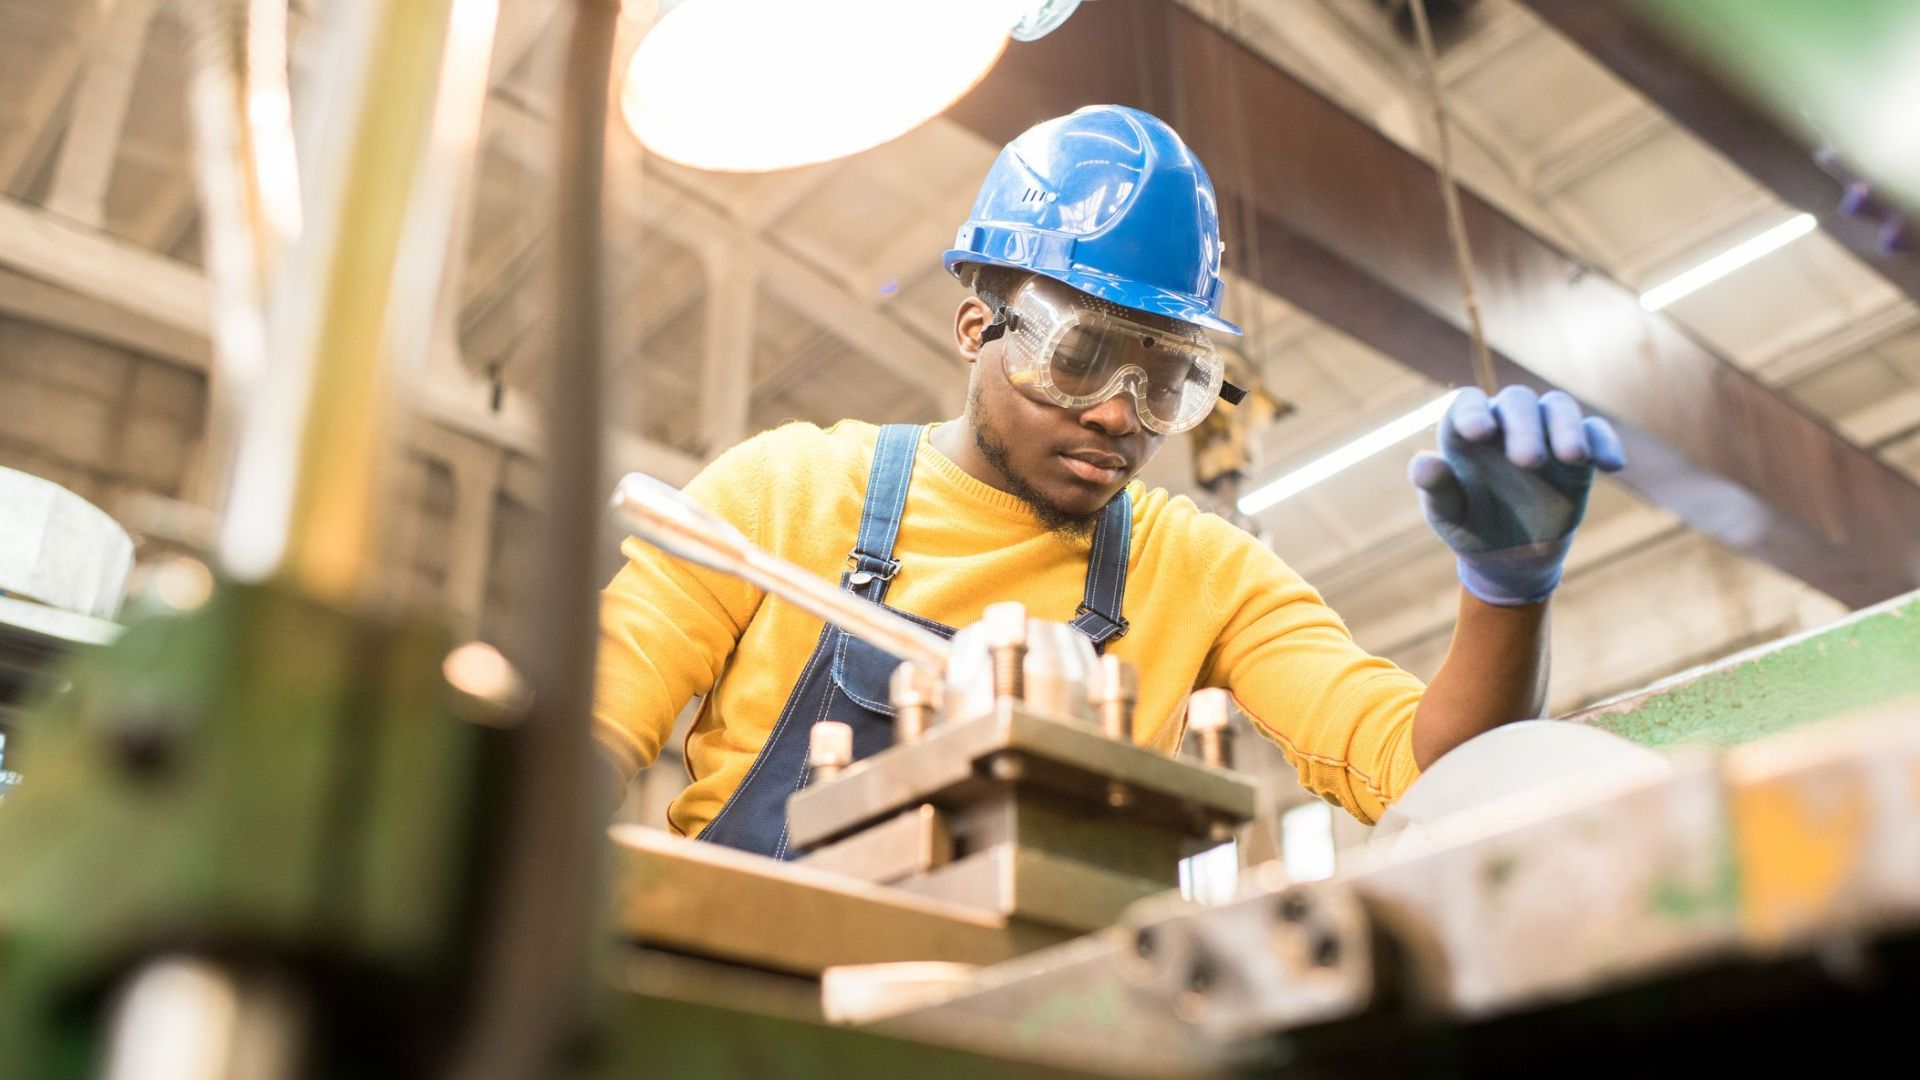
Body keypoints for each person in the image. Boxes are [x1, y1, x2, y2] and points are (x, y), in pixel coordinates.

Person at [594, 104, 1624, 856]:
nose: (1120, 414)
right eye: (1079, 356)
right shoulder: (780, 495)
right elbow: (585, 738)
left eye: (1170, 379)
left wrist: (1505, 597)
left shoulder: (1202, 572)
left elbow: (1425, 773)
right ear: (974, 327)